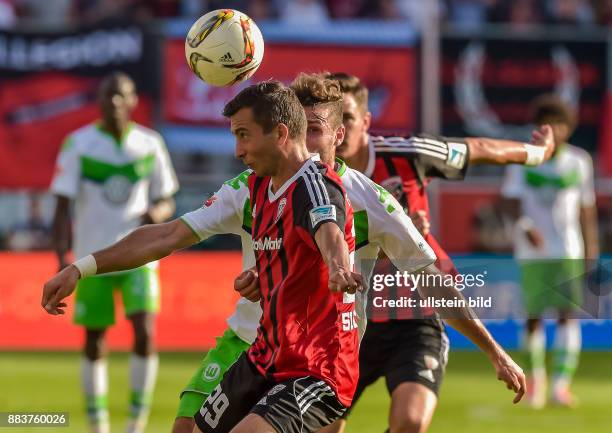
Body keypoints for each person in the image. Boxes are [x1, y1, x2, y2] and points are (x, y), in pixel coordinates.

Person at [43, 81, 362, 433]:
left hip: (316, 366)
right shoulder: (255, 187)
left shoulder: (314, 184)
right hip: (264, 357)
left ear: (280, 133)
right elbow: (167, 234)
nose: (238, 150)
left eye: (244, 135)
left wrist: (337, 265)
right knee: (185, 429)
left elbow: (328, 229)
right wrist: (80, 267)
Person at [322, 71, 555, 433]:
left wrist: (537, 154)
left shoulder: (407, 155)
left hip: (417, 313)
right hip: (347, 321)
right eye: (331, 120)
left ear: (366, 121)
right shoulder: (313, 178)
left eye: (348, 118)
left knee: (410, 422)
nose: (341, 129)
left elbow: (478, 149)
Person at [49, 71, 179, 433]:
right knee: (95, 339)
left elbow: (167, 199)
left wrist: (158, 213)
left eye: (122, 96)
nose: (115, 103)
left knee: (145, 333)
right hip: (92, 260)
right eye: (108, 96)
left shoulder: (150, 143)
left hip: (139, 257)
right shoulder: (79, 144)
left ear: (135, 100)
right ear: (100, 102)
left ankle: (135, 424)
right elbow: (61, 205)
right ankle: (98, 426)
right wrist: (63, 260)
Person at [501, 95, 599, 408]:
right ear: (537, 127)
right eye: (547, 123)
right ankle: (535, 385)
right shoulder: (524, 158)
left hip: (569, 250)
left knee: (568, 316)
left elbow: (587, 209)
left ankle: (561, 387)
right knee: (533, 317)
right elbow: (510, 202)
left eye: (560, 124)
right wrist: (526, 226)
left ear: (568, 129)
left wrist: (592, 249)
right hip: (531, 252)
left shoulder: (579, 162)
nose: (554, 129)